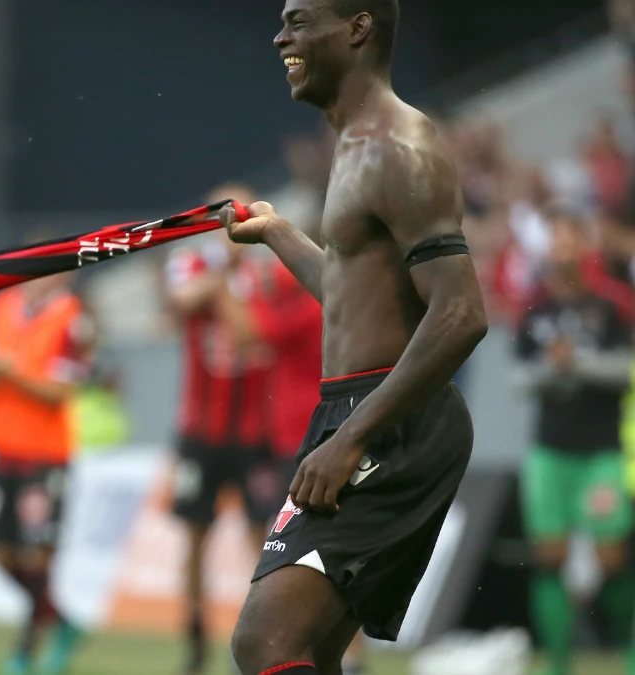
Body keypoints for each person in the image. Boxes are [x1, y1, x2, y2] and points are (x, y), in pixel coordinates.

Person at [227, 1, 490, 674]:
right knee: (311, 648)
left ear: (358, 27)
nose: (280, 36)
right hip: (360, 411)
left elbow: (461, 313)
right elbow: (355, 296)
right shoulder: (354, 145)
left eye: (299, 19)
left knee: (266, 641)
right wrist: (280, 233)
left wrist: (352, 438)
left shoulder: (397, 146)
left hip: (392, 421)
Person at [513, 211, 635, 675]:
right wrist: (551, 369)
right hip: (550, 452)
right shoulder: (534, 307)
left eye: (569, 241)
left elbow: (625, 370)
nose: (561, 250)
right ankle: (557, 663)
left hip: (602, 452)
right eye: (555, 241)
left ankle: (626, 648)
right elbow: (518, 379)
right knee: (549, 556)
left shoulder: (611, 303)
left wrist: (575, 362)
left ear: (585, 247)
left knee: (611, 558)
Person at [164, 183, 275, 675]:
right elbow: (181, 303)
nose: (232, 220)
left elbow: (254, 335)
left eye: (240, 211)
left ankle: (268, 638)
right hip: (199, 432)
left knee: (265, 540)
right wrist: (222, 274)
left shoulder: (266, 271)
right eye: (224, 212)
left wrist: (225, 280)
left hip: (254, 434)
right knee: (193, 540)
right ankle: (194, 644)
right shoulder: (192, 262)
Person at [0, 270, 93, 675]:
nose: (36, 281)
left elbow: (61, 392)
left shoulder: (75, 321)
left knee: (38, 555)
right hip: (2, 450)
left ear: (63, 280)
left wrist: (9, 372)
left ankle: (25, 651)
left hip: (46, 455)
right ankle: (63, 622)